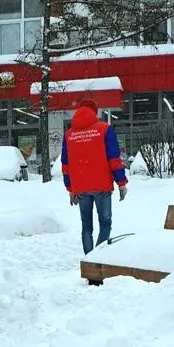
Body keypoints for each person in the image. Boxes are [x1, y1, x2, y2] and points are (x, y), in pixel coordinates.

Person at [60, 100, 128, 254]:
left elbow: (66, 164)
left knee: (86, 227)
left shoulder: (69, 135)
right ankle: (97, 261)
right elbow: (114, 159)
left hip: (81, 187)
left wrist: (70, 187)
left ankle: (89, 260)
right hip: (102, 185)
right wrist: (121, 182)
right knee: (105, 223)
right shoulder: (104, 129)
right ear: (95, 112)